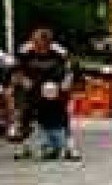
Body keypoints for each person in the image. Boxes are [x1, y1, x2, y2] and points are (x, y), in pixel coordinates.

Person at [12, 28, 78, 161]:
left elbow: (70, 71)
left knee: (62, 111)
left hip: (54, 85)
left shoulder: (60, 52)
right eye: (34, 43)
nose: (36, 47)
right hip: (32, 84)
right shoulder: (25, 51)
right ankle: (24, 145)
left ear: (48, 43)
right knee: (27, 110)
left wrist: (65, 84)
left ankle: (70, 147)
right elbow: (17, 71)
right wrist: (24, 81)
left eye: (39, 44)